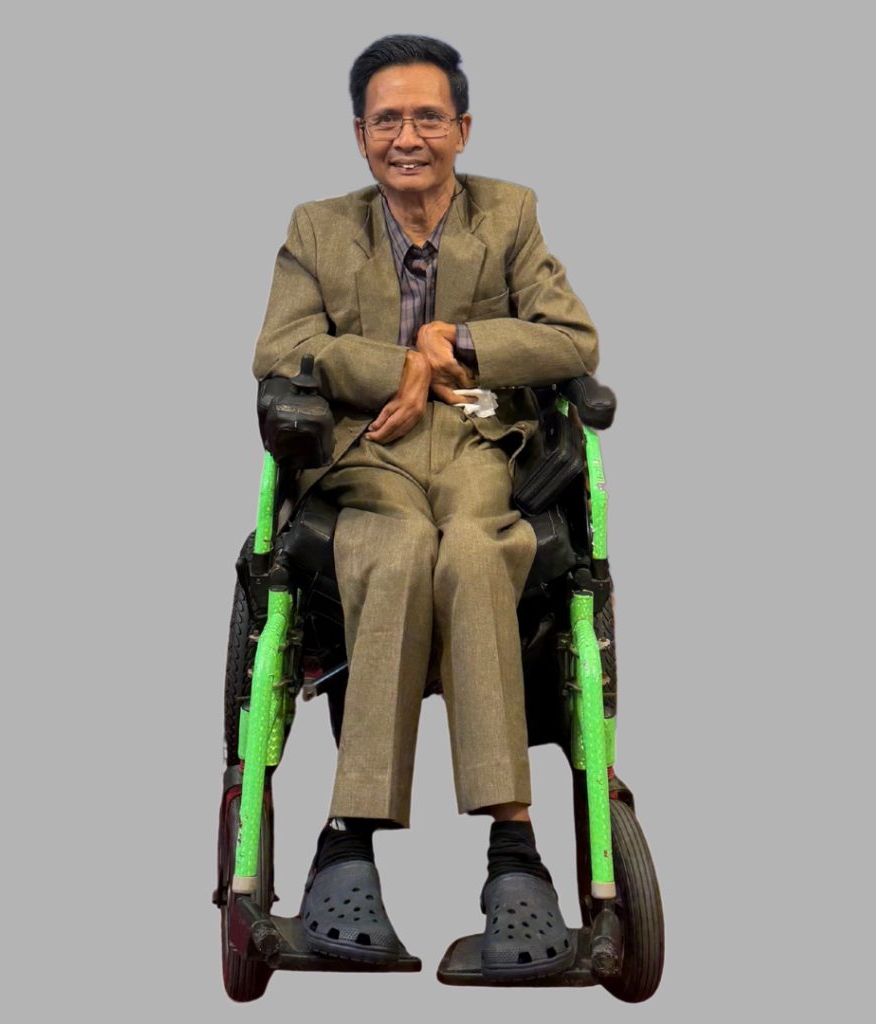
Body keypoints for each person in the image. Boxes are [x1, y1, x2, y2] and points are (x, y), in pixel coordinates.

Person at [252, 34, 599, 979]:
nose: (408, 137)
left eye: (428, 118)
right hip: (368, 451)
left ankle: (514, 851)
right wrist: (399, 364)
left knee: (477, 554)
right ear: (361, 135)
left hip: (482, 445)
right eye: (388, 120)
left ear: (463, 129)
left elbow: (573, 338)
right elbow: (280, 347)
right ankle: (347, 840)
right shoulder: (318, 228)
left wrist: (465, 344)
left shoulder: (509, 212)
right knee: (397, 550)